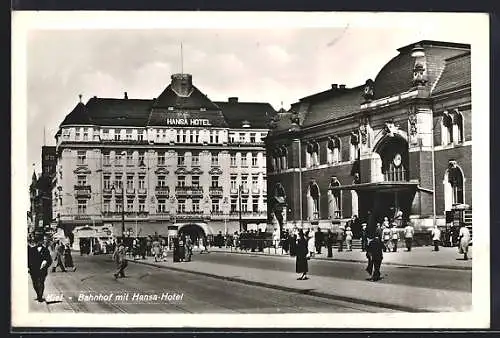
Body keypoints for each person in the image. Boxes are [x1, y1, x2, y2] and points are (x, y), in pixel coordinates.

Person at [28, 235, 53, 302]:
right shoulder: (32, 250)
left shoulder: (45, 250)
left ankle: (40, 296)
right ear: (36, 242)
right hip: (33, 270)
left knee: (41, 282)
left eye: (40, 241)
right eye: (38, 241)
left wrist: (46, 263)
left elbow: (49, 260)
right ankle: (38, 294)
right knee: (35, 283)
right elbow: (28, 259)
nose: (39, 242)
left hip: (42, 270)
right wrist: (28, 267)